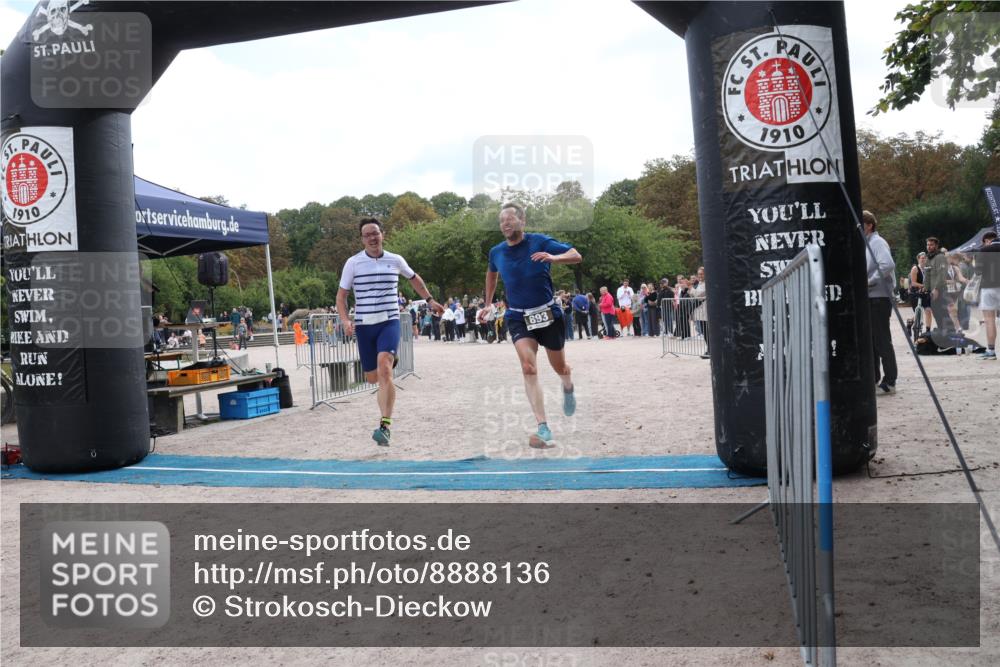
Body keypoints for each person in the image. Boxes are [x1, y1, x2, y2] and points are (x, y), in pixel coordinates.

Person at [337, 217, 443, 446]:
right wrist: (345, 320)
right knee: (373, 377)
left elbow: (414, 279)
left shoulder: (396, 260)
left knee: (385, 370)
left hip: (389, 321)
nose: (372, 238)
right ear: (362, 239)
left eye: (375, 233)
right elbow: (341, 296)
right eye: (367, 235)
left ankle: (385, 425)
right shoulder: (353, 263)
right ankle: (387, 361)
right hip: (365, 325)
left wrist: (430, 301)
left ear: (382, 234)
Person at [484, 203, 583, 447]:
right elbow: (491, 274)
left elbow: (576, 255)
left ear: (522, 221)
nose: (505, 224)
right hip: (518, 317)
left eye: (510, 219)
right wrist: (487, 303)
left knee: (559, 366)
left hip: (548, 313)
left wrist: (553, 257)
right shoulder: (496, 252)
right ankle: (543, 427)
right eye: (502, 221)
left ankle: (568, 386)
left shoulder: (539, 241)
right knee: (528, 367)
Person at [863, 211, 897, 395]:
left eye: (860, 224)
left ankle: (890, 381)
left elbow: (887, 264)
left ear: (869, 225)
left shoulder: (877, 242)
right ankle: (875, 378)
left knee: (882, 340)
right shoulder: (868, 243)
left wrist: (869, 281)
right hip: (871, 297)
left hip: (878, 297)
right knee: (872, 341)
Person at [975, 230, 1000, 360]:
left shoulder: (983, 251)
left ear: (987, 240)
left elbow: (978, 272)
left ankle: (991, 351)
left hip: (988, 287)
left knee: (989, 320)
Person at [925, 236, 956, 338]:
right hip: (932, 291)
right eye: (928, 245)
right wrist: (925, 288)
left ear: (936, 246)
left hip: (939, 290)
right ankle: (943, 332)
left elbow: (942, 274)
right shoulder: (929, 257)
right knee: (936, 312)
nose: (929, 247)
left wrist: (936, 289)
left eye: (931, 245)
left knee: (942, 312)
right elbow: (928, 275)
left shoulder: (940, 257)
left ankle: (950, 333)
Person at [908, 252, 932, 335]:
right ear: (918, 259)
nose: (924, 259)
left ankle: (928, 331)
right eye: (922, 258)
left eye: (925, 258)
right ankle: (910, 322)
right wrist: (924, 286)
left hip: (925, 293)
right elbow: (913, 283)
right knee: (918, 312)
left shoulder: (928, 269)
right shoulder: (915, 268)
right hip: (915, 293)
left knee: (928, 310)